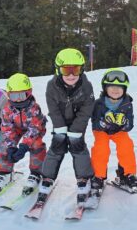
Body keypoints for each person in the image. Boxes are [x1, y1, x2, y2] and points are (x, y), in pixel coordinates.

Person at [41, 48, 96, 207]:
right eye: (66, 70)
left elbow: (87, 109)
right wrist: (59, 128)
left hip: (78, 122)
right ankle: (47, 177)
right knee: (57, 146)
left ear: (81, 70)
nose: (71, 75)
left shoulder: (86, 86)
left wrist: (77, 129)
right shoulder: (52, 86)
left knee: (77, 146)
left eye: (75, 70)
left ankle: (83, 178)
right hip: (60, 122)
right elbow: (53, 109)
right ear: (58, 70)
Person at [0, 73, 48, 194]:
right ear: (9, 95)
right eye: (14, 96)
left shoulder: (34, 108)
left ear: (29, 92)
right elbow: (7, 129)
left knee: (36, 144)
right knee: (4, 144)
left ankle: (36, 173)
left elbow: (34, 128)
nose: (18, 99)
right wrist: (11, 147)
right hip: (16, 128)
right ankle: (3, 172)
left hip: (34, 130)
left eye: (22, 95)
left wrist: (24, 146)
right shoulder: (7, 109)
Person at [91, 69, 137, 192]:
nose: (115, 90)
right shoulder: (98, 104)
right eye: (112, 86)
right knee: (101, 148)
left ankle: (128, 174)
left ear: (124, 89)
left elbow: (130, 124)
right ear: (105, 88)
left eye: (119, 87)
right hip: (102, 131)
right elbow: (95, 123)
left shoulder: (127, 104)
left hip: (118, 131)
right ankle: (99, 176)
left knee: (126, 145)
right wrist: (104, 123)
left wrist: (124, 123)